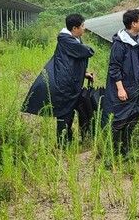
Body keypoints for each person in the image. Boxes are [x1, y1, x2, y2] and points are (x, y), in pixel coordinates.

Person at [23, 13, 95, 147]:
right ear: (74, 28)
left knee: (69, 110)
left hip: (70, 80)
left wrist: (83, 73)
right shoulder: (67, 40)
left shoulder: (73, 38)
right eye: (82, 26)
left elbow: (71, 62)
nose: (84, 28)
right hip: (65, 83)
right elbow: (87, 51)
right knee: (65, 112)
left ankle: (68, 138)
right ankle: (62, 143)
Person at [102, 8, 139, 161]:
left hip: (137, 88)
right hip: (125, 88)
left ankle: (125, 149)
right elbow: (114, 67)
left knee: (134, 116)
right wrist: (120, 89)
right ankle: (114, 154)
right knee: (119, 119)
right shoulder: (120, 43)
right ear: (133, 24)